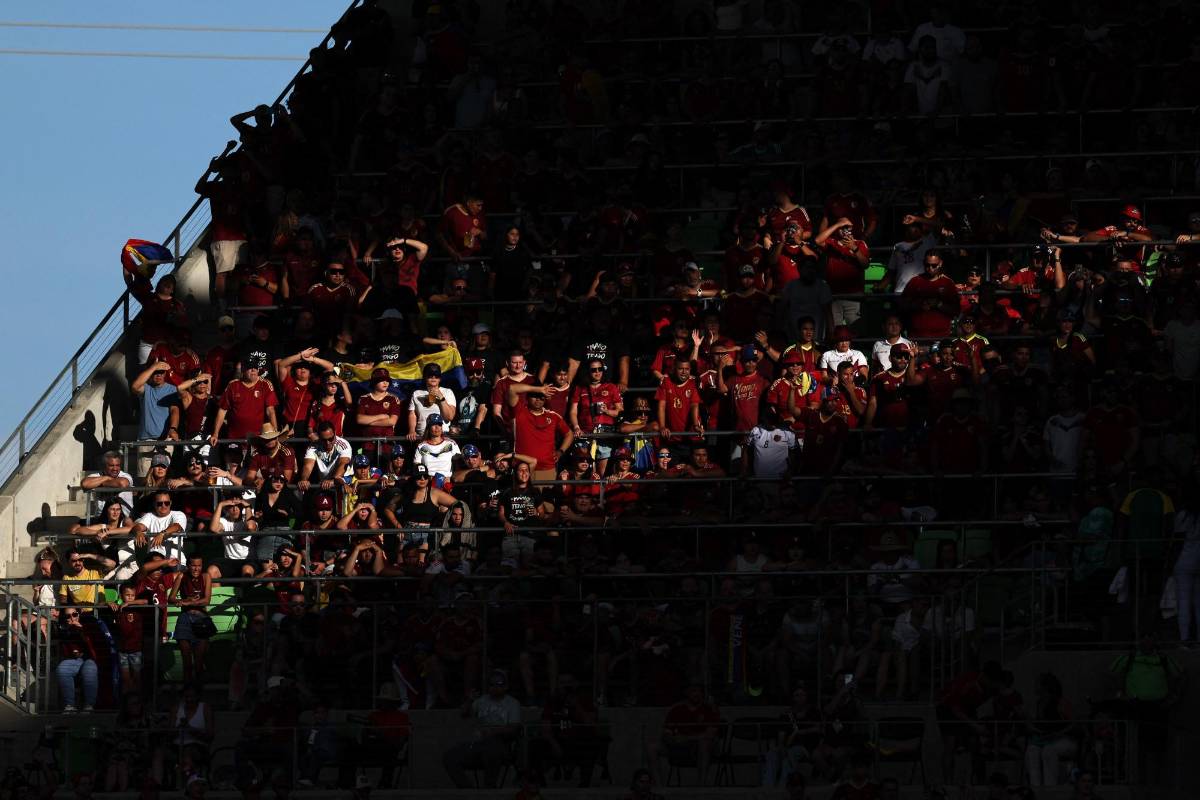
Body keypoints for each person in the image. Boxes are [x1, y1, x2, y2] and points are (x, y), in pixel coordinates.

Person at [442, 670, 522, 788]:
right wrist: (469, 700)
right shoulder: (482, 701)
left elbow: (514, 728)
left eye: (498, 684)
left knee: (492, 747)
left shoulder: (512, 703)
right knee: (449, 756)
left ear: (506, 687)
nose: (494, 687)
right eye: (491, 684)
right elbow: (463, 714)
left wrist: (492, 732)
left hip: (502, 745)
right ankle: (469, 791)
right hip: (479, 744)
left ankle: (489, 789)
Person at [645, 683, 720, 785]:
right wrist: (673, 739)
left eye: (699, 691)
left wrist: (686, 738)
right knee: (652, 747)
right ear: (686, 693)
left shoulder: (709, 710)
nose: (697, 694)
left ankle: (701, 786)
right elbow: (666, 733)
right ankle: (659, 787)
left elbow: (710, 735)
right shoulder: (677, 710)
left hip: (698, 748)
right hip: (679, 747)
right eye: (693, 691)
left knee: (704, 743)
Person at [1024, 672, 1077, 787]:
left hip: (1064, 739)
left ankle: (1050, 788)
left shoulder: (1061, 702)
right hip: (1044, 739)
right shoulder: (1038, 703)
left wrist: (1057, 734)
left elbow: (1074, 724)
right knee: (1032, 750)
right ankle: (1035, 788)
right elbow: (1035, 723)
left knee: (1049, 751)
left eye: (1037, 683)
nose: (1035, 686)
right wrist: (1034, 729)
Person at [169, 555, 214, 686]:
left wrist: (187, 602)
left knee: (199, 662)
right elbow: (171, 598)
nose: (196, 568)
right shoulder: (181, 576)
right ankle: (187, 692)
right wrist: (181, 601)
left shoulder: (206, 576)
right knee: (187, 662)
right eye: (193, 565)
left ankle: (199, 694)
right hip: (185, 619)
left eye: (199, 565)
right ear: (188, 565)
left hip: (201, 618)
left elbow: (207, 600)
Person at [56, 606, 104, 712]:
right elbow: (65, 651)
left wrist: (81, 629)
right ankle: (69, 705)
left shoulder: (88, 624)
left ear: (79, 614)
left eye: (74, 614)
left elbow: (94, 646)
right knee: (62, 669)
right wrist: (69, 630)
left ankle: (89, 705)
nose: (72, 618)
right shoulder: (64, 629)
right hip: (75, 660)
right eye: (68, 616)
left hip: (91, 658)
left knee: (89, 670)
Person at [408, 362, 457, 439]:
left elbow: (449, 417)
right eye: (430, 375)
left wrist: (441, 398)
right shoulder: (417, 393)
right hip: (422, 436)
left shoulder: (448, 392)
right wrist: (411, 430)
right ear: (424, 377)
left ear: (440, 378)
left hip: (442, 437)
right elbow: (412, 414)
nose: (433, 377)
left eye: (436, 375)